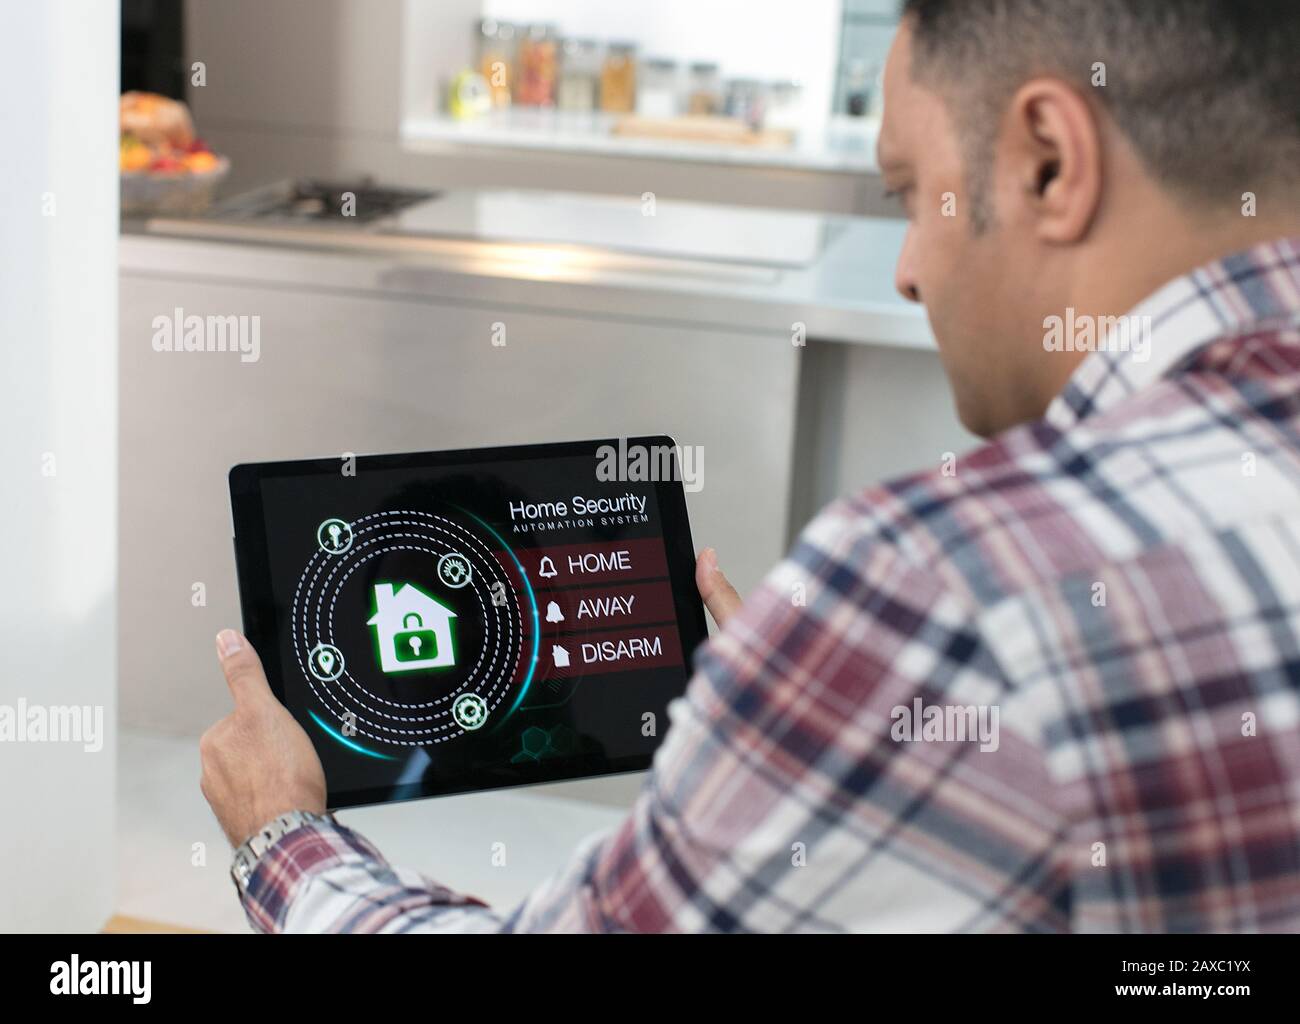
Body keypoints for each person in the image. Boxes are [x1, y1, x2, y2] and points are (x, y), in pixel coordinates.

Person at [201, 0, 1300, 932]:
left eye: (912, 193)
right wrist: (815, 770)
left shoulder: (950, 586)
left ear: (1049, 162)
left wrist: (281, 834)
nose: (911, 269)